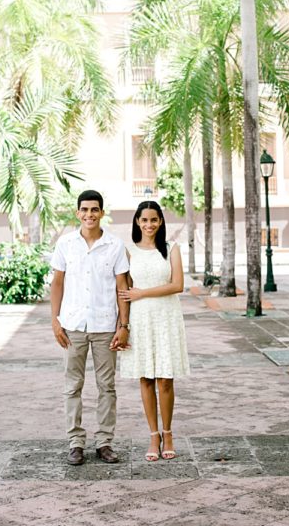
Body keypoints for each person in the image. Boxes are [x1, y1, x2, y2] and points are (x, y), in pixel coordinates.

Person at [50, 190, 130, 466]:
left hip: (105, 326)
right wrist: (55, 320)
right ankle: (75, 443)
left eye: (94, 209)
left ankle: (105, 442)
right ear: (77, 213)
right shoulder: (66, 244)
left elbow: (122, 288)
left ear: (102, 213)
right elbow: (57, 283)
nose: (89, 215)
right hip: (73, 325)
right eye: (84, 210)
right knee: (73, 386)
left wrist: (124, 325)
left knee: (106, 387)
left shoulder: (115, 245)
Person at [118, 200, 190, 461]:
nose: (149, 224)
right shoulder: (127, 251)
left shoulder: (171, 249)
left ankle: (168, 433)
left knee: (165, 379)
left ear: (161, 222)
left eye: (154, 220)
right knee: (146, 378)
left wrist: (143, 293)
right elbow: (123, 292)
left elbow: (177, 285)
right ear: (137, 222)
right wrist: (122, 327)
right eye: (144, 220)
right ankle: (153, 436)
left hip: (166, 316)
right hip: (140, 319)